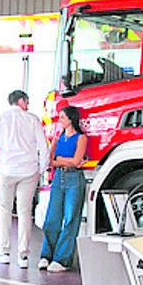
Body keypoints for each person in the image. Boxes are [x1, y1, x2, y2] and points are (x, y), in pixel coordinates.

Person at [0, 89, 46, 268]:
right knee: (25, 212)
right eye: (27, 102)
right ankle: (23, 256)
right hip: (29, 171)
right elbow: (44, 147)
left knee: (4, 211)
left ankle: (4, 252)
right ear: (21, 101)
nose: (28, 105)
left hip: (6, 171)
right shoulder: (33, 119)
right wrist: (40, 170)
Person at [39, 106, 88, 273]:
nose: (59, 120)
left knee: (70, 219)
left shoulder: (81, 138)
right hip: (58, 179)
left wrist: (58, 159)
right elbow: (49, 160)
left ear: (70, 119)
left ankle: (62, 259)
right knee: (51, 219)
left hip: (74, 179)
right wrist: (63, 161)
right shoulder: (57, 138)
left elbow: (76, 161)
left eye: (62, 117)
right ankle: (47, 254)